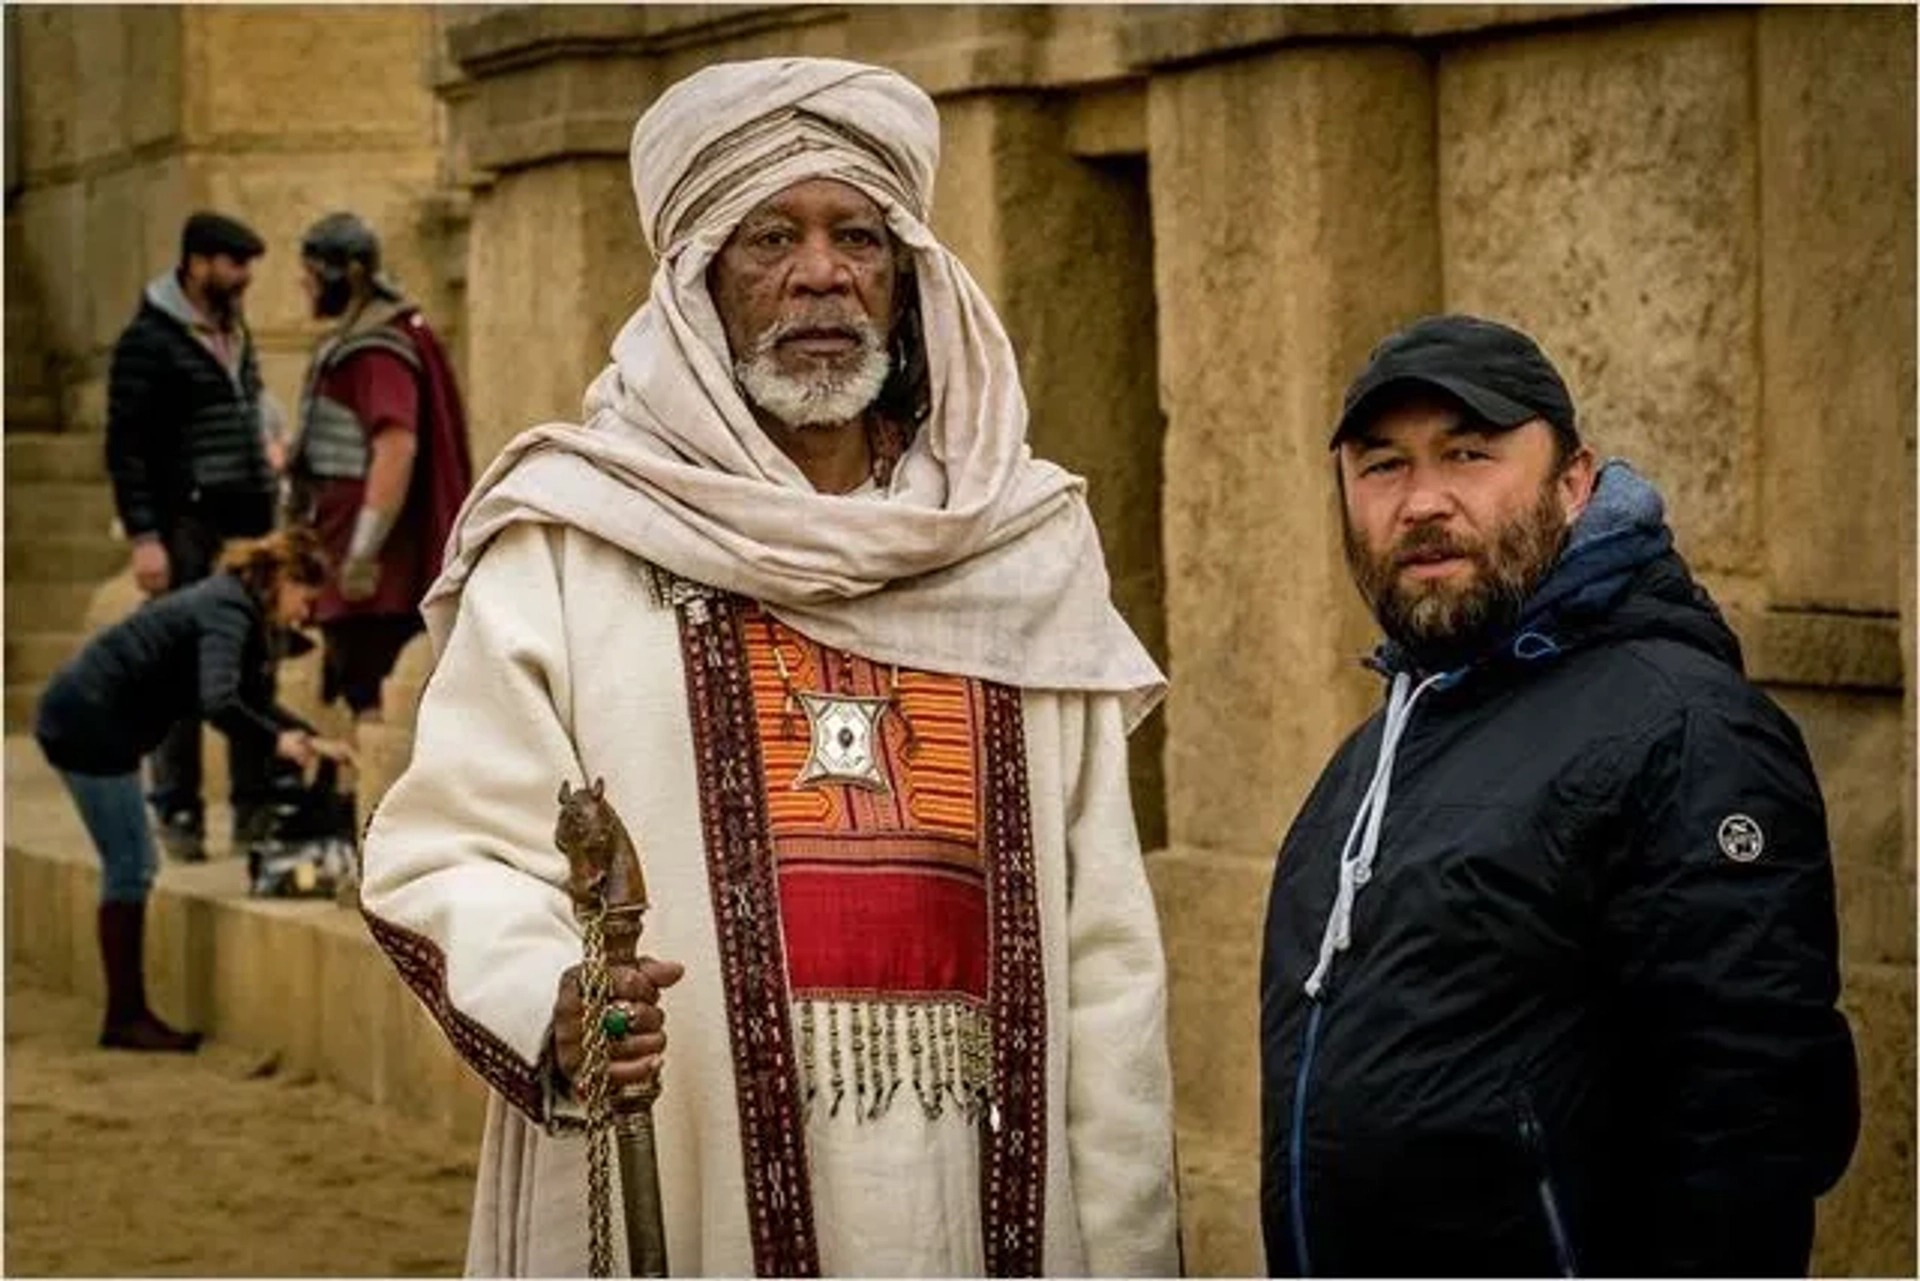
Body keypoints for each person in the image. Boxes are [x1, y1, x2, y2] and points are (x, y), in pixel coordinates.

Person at [360, 57, 1179, 1277]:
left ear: (904, 281)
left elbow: (1106, 945)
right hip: (687, 1160)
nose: (820, 274)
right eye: (768, 238)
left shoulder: (1020, 544)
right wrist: (557, 997)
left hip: (986, 1188)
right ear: (697, 283)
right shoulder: (575, 539)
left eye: (859, 234)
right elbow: (447, 846)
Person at [1258, 314, 1859, 1276]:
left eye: (1468, 454)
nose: (1422, 502)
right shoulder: (1375, 755)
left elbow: (1754, 1133)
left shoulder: (1683, 727)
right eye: (1383, 467)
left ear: (1574, 481)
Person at [34, 529, 350, 1052]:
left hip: (91, 718)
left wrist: (312, 740)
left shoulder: (231, 600)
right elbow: (220, 701)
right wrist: (280, 742)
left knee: (132, 865)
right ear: (285, 580)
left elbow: (246, 698)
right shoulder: (228, 610)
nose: (305, 615)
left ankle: (126, 1015)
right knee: (131, 866)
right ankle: (125, 1017)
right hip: (88, 724)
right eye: (306, 599)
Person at [105, 210, 280, 861]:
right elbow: (125, 448)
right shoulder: (147, 341)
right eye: (234, 265)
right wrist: (144, 536)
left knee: (254, 659)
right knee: (181, 663)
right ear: (198, 262)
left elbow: (249, 406)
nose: (243, 278)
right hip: (185, 522)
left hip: (248, 522)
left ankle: (255, 808)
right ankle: (177, 809)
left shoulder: (235, 329)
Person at [287, 211, 472, 729]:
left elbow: (397, 445)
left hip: (372, 576)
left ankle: (373, 808)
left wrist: (363, 554)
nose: (302, 282)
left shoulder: (375, 349)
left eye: (310, 270)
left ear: (340, 274)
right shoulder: (369, 336)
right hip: (351, 558)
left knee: (371, 696)